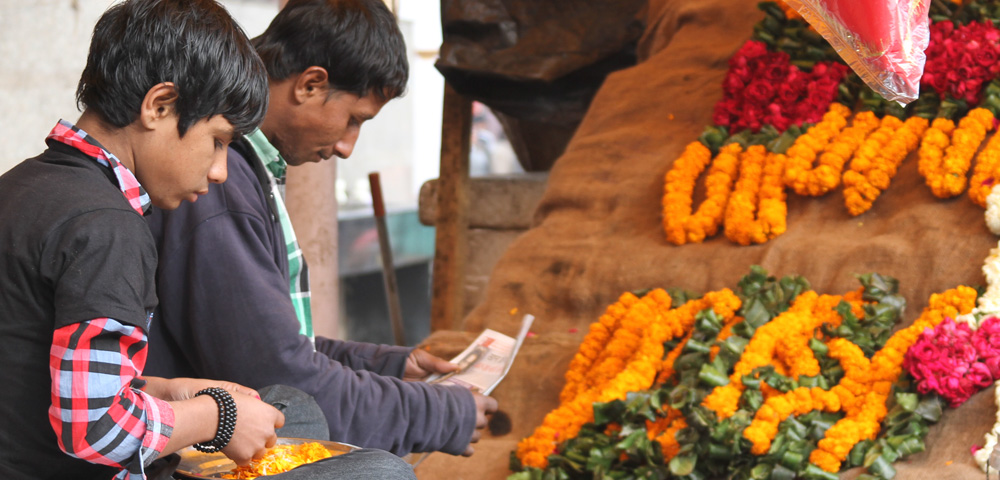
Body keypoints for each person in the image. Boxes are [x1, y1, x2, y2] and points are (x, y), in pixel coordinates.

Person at [0, 1, 414, 479]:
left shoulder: (23, 186)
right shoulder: (107, 228)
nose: (219, 171)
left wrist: (176, 393)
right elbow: (95, 428)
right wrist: (217, 417)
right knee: (381, 472)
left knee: (292, 410)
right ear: (159, 106)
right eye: (217, 141)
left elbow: (55, 376)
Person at [145, 0, 498, 457]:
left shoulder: (243, 170)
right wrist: (436, 412)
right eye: (354, 119)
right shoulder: (217, 183)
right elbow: (281, 385)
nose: (349, 146)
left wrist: (390, 366)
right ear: (310, 84)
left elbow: (270, 341)